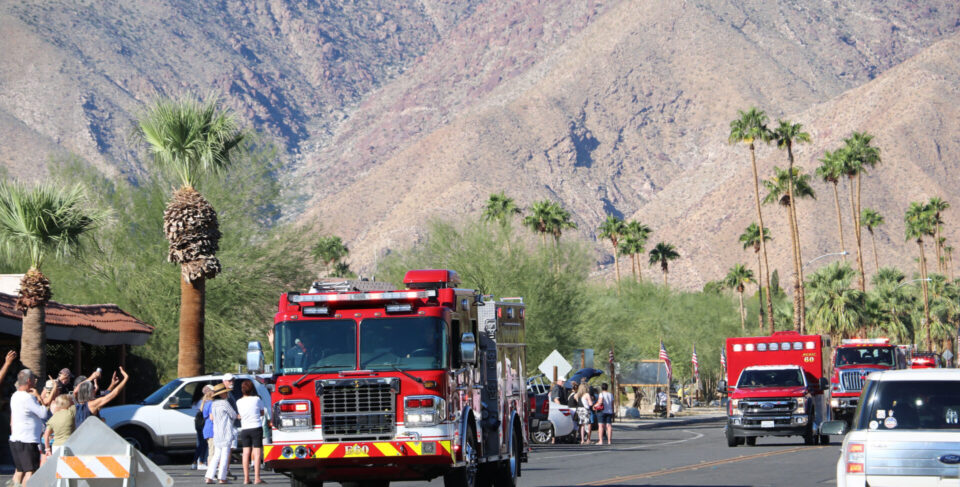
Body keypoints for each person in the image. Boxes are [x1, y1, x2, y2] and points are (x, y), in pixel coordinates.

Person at [10, 369, 58, 485]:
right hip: (28, 440)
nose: (35, 380)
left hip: (16, 439)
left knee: (19, 471)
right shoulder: (28, 398)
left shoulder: (15, 395)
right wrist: (38, 396)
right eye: (33, 378)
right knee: (30, 472)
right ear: (28, 381)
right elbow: (43, 413)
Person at [205, 383, 239, 484]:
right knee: (224, 455)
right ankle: (222, 477)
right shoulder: (224, 403)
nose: (226, 394)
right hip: (226, 431)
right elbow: (233, 414)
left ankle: (209, 476)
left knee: (216, 456)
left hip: (217, 432)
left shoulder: (213, 404)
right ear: (221, 394)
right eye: (225, 393)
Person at [237, 380, 267, 484]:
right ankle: (257, 478)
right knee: (257, 453)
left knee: (245, 453)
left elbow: (239, 415)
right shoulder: (256, 399)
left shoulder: (238, 401)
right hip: (256, 427)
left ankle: (246, 478)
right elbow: (262, 412)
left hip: (245, 428)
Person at [43, 394, 75, 458]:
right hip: (69, 445)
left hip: (56, 447)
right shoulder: (71, 412)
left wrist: (47, 449)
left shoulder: (53, 418)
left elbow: (46, 435)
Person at [193, 385, 214, 470]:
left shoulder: (200, 402)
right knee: (204, 444)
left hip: (199, 424)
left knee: (201, 444)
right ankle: (201, 462)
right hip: (205, 424)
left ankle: (195, 462)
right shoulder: (209, 402)